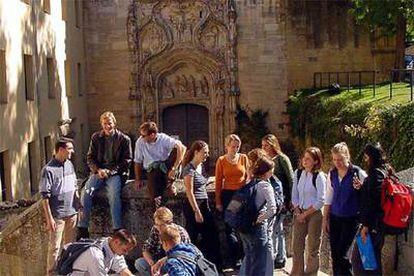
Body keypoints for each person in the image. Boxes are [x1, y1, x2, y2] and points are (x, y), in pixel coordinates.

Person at [77, 111, 132, 239]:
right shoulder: (96, 137)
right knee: (87, 192)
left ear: (114, 123)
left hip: (116, 173)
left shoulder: (124, 139)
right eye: (105, 124)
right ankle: (83, 227)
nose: (107, 126)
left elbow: (127, 161)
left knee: (113, 194)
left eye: (110, 123)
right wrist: (97, 170)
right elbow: (90, 158)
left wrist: (110, 172)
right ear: (102, 124)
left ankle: (117, 228)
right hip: (99, 172)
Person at [323, 142, 367, 276]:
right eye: (335, 159)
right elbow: (328, 198)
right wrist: (326, 220)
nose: (338, 162)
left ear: (347, 157)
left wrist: (361, 188)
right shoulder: (332, 174)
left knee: (343, 255)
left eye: (340, 159)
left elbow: (369, 195)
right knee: (335, 255)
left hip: (351, 219)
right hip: (335, 217)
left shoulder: (357, 173)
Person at [39, 137, 80, 275]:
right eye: (69, 149)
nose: (72, 151)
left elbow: (75, 187)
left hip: (72, 212)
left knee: (69, 247)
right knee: (55, 248)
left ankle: (67, 272)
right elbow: (45, 197)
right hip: (57, 216)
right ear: (61, 150)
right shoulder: (48, 170)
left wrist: (79, 206)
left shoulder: (70, 164)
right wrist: (49, 218)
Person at [351, 143, 391, 276]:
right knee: (372, 263)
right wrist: (362, 187)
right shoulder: (386, 171)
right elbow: (374, 195)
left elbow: (373, 203)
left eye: (367, 156)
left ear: (371, 157)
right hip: (379, 225)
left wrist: (366, 226)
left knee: (359, 262)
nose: (365, 159)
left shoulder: (375, 175)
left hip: (372, 227)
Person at [182, 140, 222, 270]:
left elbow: (203, 183)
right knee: (192, 236)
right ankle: (188, 265)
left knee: (211, 235)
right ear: (196, 152)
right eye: (204, 152)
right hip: (194, 205)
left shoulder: (201, 167)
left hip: (204, 204)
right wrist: (196, 211)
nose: (207, 155)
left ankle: (212, 266)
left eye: (208, 152)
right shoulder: (189, 169)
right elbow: (189, 191)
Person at [238, 149, 277, 276]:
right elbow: (272, 208)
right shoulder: (265, 185)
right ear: (266, 171)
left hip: (244, 226)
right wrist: (259, 219)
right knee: (259, 263)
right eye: (271, 169)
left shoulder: (249, 182)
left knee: (249, 258)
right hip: (257, 228)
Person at [214, 134, 249, 267]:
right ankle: (235, 257)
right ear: (227, 146)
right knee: (229, 227)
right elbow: (217, 182)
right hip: (228, 195)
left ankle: (244, 256)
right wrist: (218, 201)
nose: (235, 149)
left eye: (237, 146)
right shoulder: (221, 160)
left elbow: (248, 177)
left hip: (241, 195)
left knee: (242, 226)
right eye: (233, 146)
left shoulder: (244, 158)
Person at [291, 147, 326, 276]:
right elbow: (294, 194)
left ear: (316, 161)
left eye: (308, 159)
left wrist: (305, 214)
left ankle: (311, 273)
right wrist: (297, 210)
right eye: (304, 158)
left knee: (312, 247)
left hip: (314, 213)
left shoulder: (319, 176)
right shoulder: (298, 173)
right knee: (297, 246)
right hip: (300, 211)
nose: (304, 161)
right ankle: (297, 272)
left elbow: (321, 200)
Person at [134, 121, 186, 206]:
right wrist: (138, 179)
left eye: (144, 136)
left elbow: (182, 147)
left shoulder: (163, 138)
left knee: (176, 150)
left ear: (152, 135)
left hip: (165, 166)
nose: (142, 137)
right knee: (154, 193)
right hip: (152, 169)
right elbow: (137, 161)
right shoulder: (140, 142)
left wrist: (174, 168)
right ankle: (157, 210)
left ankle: (170, 183)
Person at [261, 134, 294, 268]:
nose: (264, 148)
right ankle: (280, 257)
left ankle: (276, 256)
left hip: (282, 199)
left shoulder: (282, 159)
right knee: (277, 229)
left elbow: (291, 179)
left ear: (273, 145)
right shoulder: (265, 160)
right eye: (262, 146)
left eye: (266, 145)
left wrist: (292, 198)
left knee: (275, 228)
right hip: (269, 200)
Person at [135, 207, 191, 276]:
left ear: (169, 223)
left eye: (161, 225)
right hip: (160, 262)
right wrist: (152, 263)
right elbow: (146, 248)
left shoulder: (180, 233)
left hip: (177, 264)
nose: (158, 227)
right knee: (139, 263)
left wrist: (160, 262)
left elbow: (181, 256)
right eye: (156, 224)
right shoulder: (156, 229)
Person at [70, 229, 137, 275]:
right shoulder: (96, 255)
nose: (126, 253)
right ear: (116, 242)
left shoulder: (112, 247)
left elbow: (123, 270)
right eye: (125, 250)